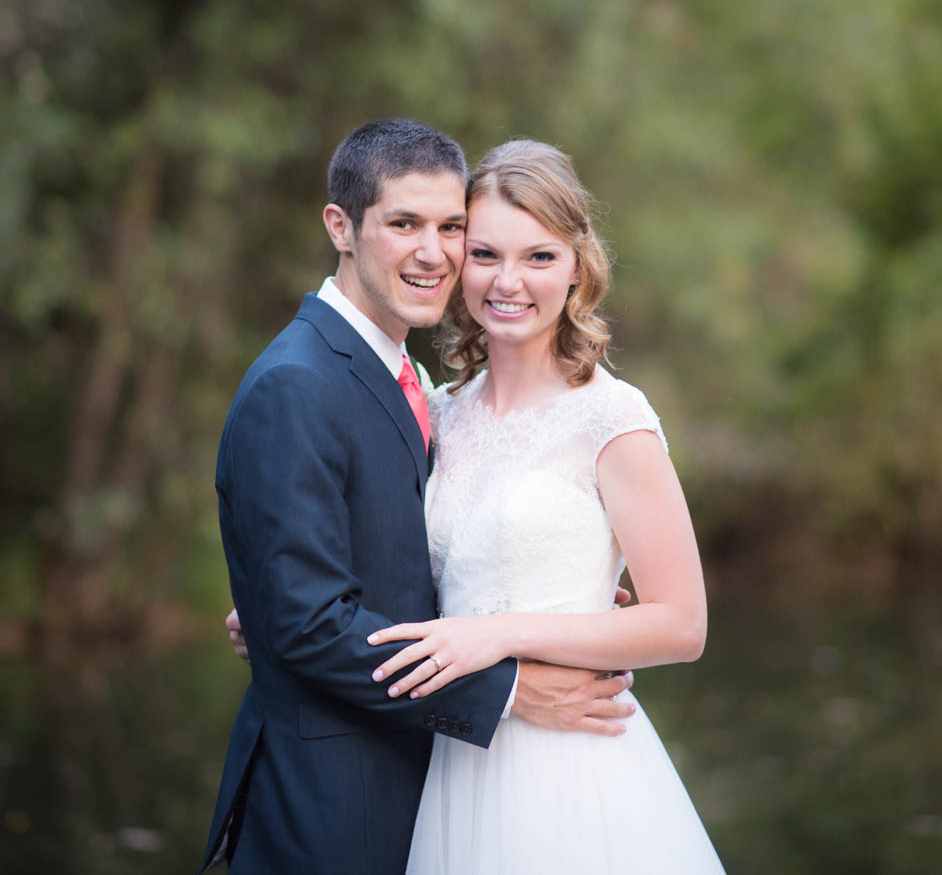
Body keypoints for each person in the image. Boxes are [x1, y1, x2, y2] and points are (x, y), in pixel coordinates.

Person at [199, 120, 636, 875]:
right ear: (341, 226)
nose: (433, 252)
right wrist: (512, 692)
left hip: (438, 789)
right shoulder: (296, 385)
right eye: (404, 224)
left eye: (451, 227)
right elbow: (308, 627)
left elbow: (396, 555)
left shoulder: (418, 386)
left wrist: (567, 597)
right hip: (335, 808)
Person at [366, 139, 725, 874]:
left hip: (572, 767)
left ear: (576, 268)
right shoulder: (441, 414)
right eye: (488, 254)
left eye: (539, 257)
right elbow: (414, 569)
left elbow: (682, 624)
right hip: (458, 755)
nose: (509, 282)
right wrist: (291, 607)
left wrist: (501, 634)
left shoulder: (612, 420)